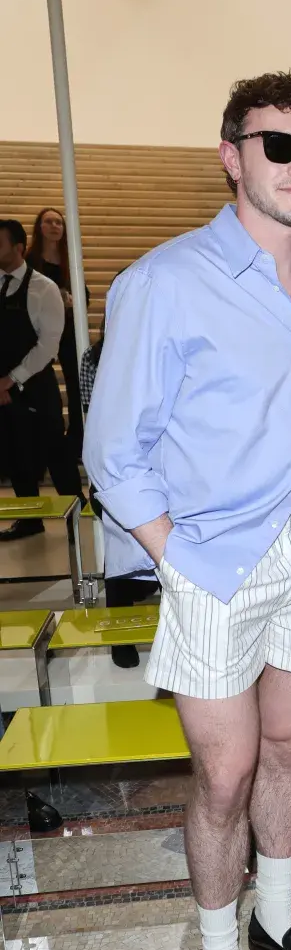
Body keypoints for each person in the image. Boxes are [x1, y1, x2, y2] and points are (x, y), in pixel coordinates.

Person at [84, 72, 291, 950]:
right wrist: (179, 559)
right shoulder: (166, 280)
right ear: (231, 155)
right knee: (227, 772)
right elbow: (114, 449)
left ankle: (276, 920)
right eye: (279, 146)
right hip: (211, 564)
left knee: (289, 753)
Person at [79, 303, 158, 670]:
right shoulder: (94, 360)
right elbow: (93, 415)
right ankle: (120, 637)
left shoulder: (161, 347)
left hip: (163, 465)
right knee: (120, 551)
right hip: (116, 465)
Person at [0, 218, 84, 540]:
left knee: (55, 453)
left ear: (19, 248)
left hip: (34, 385)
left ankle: (77, 513)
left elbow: (48, 345)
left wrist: (11, 379)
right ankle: (29, 519)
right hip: (3, 389)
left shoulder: (43, 288)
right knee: (13, 451)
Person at [27, 207, 89, 460]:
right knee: (37, 383)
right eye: (48, 222)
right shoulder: (30, 260)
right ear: (39, 227)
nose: (54, 226)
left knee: (76, 383)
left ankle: (77, 439)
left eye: (59, 222)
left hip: (70, 326)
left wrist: (73, 300)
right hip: (37, 330)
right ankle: (39, 441)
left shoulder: (70, 259)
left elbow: (84, 295)